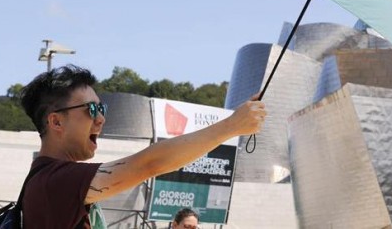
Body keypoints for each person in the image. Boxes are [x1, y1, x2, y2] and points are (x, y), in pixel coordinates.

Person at [19, 65, 266, 228]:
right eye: (91, 109)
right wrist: (232, 126)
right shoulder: (55, 181)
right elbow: (149, 164)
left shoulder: (49, 181)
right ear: (56, 121)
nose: (101, 118)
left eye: (101, 108)